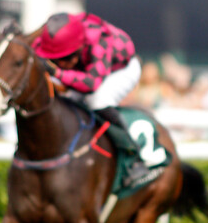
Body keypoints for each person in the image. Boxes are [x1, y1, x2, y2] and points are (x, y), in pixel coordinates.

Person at [34, 12, 148, 186]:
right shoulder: (52, 35)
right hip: (87, 68)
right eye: (55, 60)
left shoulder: (99, 42)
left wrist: (56, 72)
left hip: (120, 70)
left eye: (64, 58)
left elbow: (91, 84)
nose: (60, 63)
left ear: (78, 48)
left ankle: (134, 158)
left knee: (97, 100)